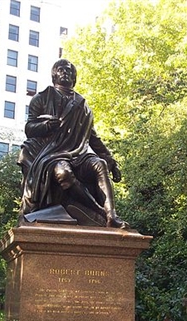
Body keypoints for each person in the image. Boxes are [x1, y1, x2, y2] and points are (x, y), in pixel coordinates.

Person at [18, 59, 128, 229]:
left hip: (78, 154)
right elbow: (29, 128)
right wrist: (46, 126)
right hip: (51, 154)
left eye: (70, 71)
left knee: (100, 164)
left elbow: (92, 137)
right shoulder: (41, 98)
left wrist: (110, 159)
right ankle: (99, 212)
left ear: (74, 77)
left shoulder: (83, 106)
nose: (66, 72)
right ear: (54, 74)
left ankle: (112, 215)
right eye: (61, 69)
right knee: (63, 173)